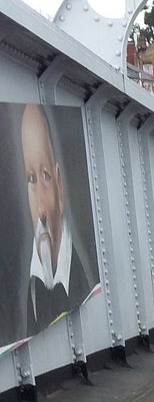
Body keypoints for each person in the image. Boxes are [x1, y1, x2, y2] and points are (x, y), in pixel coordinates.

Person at [20, 104, 90, 337]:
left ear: (60, 185)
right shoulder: (27, 290)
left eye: (45, 176)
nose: (40, 211)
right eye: (31, 179)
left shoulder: (81, 279)